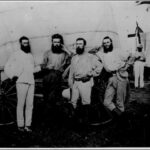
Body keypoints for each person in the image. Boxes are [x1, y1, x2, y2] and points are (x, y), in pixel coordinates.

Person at [4, 36, 41, 132]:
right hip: (21, 82)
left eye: (27, 43)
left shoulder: (30, 56)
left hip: (31, 82)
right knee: (21, 104)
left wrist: (39, 68)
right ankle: (20, 125)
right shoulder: (15, 54)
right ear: (20, 44)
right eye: (24, 43)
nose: (26, 44)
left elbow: (32, 70)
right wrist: (12, 75)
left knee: (30, 105)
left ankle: (27, 125)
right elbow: (7, 66)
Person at [96, 36, 132, 118]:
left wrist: (126, 66)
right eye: (104, 43)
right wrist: (100, 46)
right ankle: (120, 116)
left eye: (108, 42)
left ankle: (122, 121)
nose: (106, 44)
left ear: (111, 42)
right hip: (111, 78)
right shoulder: (102, 54)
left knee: (120, 102)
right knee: (106, 102)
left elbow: (131, 55)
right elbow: (92, 52)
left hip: (120, 77)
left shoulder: (117, 51)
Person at [68, 38, 103, 109]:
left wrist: (91, 75)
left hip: (85, 82)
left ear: (84, 46)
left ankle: (85, 119)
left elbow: (100, 66)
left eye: (80, 44)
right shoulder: (74, 58)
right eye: (77, 44)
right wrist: (71, 85)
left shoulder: (90, 56)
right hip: (75, 83)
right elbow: (71, 73)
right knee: (73, 103)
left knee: (85, 103)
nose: (78, 45)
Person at [41, 33, 71, 104]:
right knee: (49, 77)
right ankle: (48, 100)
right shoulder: (47, 53)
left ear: (61, 43)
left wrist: (67, 50)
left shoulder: (65, 54)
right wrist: (47, 67)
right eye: (55, 42)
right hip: (48, 74)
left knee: (54, 76)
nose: (56, 44)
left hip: (59, 74)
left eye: (58, 42)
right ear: (52, 42)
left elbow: (74, 60)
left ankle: (50, 101)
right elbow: (43, 65)